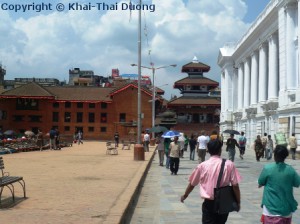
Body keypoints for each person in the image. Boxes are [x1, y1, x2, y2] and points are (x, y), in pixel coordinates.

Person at [180, 139, 241, 223]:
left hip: (209, 203)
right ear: (220, 150)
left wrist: (185, 195)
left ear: (208, 150)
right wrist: (238, 201)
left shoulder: (202, 166)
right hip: (224, 202)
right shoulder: (229, 164)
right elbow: (235, 185)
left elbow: (192, 184)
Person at [258, 145, 300, 223]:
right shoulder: (290, 170)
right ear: (285, 156)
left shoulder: (268, 168)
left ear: (275, 155)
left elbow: (260, 182)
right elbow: (297, 183)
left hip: (270, 209)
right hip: (286, 210)